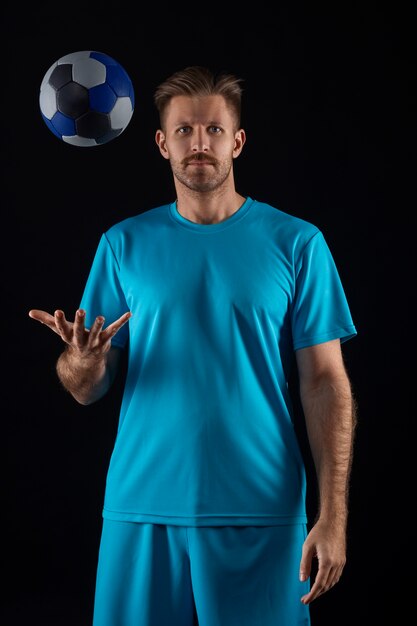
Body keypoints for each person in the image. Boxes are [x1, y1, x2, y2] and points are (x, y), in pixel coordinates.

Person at [29, 65, 358, 626]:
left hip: (262, 510)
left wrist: (333, 516)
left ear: (237, 140)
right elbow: (87, 389)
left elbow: (325, 382)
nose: (199, 143)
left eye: (212, 129)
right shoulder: (123, 244)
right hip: (142, 507)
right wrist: (81, 362)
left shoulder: (298, 243)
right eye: (184, 130)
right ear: (162, 143)